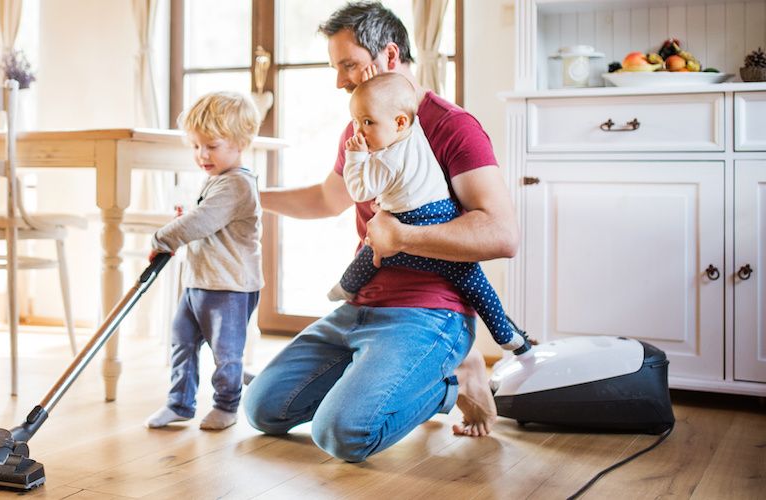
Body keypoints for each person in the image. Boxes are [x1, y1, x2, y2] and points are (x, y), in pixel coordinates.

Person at [244, 1, 518, 462]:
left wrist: (405, 238)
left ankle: (454, 378)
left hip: (429, 312)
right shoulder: (361, 128)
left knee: (342, 435)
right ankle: (385, 375)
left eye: (348, 64)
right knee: (263, 410)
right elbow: (325, 199)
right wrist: (248, 195)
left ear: (390, 56)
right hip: (361, 306)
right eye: (336, 68)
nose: (339, 81)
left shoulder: (453, 127)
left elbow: (500, 234)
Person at [327, 72, 524, 353]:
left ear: (399, 122)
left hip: (411, 222)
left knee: (372, 255)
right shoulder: (414, 128)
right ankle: (506, 335)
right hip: (441, 212)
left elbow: (360, 190)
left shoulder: (387, 159)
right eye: (356, 122)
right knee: (475, 283)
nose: (358, 132)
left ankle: (345, 287)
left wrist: (356, 157)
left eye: (367, 122)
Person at [145, 91, 263, 431]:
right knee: (181, 339)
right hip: (198, 280)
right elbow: (201, 218)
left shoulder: (238, 184)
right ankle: (179, 403)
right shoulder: (216, 179)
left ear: (241, 142)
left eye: (211, 145)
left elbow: (201, 222)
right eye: (196, 146)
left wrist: (162, 238)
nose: (202, 154)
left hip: (229, 286)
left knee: (225, 352)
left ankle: (227, 405)